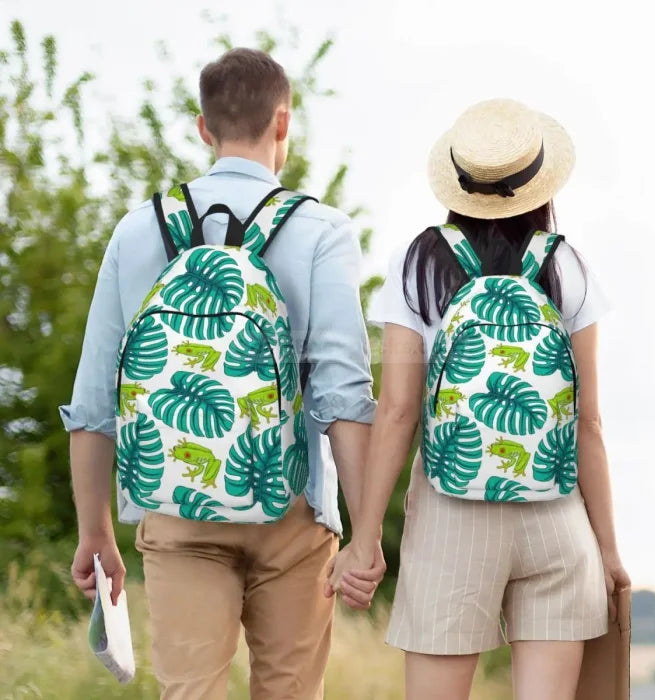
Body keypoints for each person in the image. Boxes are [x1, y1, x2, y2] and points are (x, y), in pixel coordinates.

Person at [61, 47, 384, 700]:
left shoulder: (137, 231)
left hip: (175, 505)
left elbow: (95, 399)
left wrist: (95, 532)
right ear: (283, 124)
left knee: (190, 692)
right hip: (293, 509)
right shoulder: (321, 230)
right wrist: (366, 533)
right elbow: (343, 393)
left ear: (203, 128)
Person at [328, 98, 631, 700]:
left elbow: (396, 411)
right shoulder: (567, 265)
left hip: (451, 516)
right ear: (540, 184)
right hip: (556, 516)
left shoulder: (419, 263)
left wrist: (363, 539)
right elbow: (589, 422)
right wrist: (608, 550)